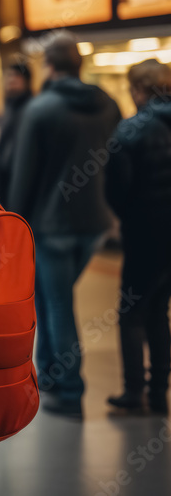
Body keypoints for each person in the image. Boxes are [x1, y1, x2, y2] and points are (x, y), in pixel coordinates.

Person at [8, 32, 121, 418]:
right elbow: (118, 161)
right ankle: (52, 374)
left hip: (52, 224)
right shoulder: (108, 105)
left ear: (50, 67)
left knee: (56, 302)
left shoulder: (41, 110)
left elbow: (25, 177)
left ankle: (69, 387)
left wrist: (12, 226)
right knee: (51, 296)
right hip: (97, 221)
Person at [105, 59, 171, 415]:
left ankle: (134, 390)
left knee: (131, 314)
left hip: (145, 233)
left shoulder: (131, 130)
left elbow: (116, 187)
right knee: (159, 310)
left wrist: (126, 215)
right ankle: (159, 390)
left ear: (139, 90)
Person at [0, 61, 33, 204]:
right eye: (9, 76)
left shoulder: (31, 109)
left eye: (17, 76)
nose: (11, 80)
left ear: (27, 81)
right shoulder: (8, 108)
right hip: (5, 178)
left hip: (22, 177)